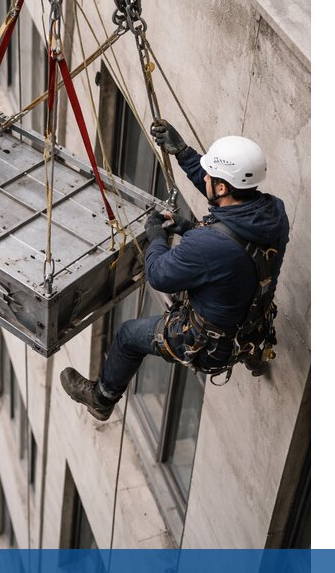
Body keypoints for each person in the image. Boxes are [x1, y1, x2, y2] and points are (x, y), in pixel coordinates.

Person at [60, 119, 290, 421]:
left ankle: (102, 399)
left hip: (209, 343)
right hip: (252, 320)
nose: (204, 178)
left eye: (209, 176)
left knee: (128, 336)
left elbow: (158, 275)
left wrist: (158, 236)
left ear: (222, 186)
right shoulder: (273, 211)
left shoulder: (209, 245)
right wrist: (183, 153)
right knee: (239, 304)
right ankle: (253, 354)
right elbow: (231, 244)